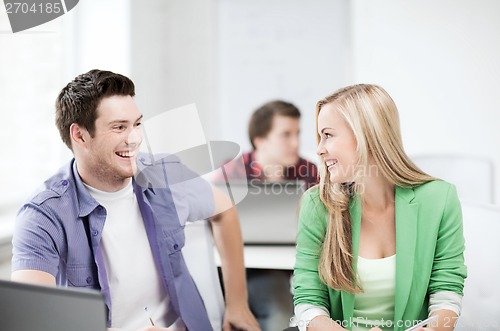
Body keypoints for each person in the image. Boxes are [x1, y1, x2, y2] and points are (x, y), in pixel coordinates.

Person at [11, 69, 261, 331]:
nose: (135, 138)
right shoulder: (43, 215)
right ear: (80, 135)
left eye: (137, 124)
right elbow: (33, 320)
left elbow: (224, 210)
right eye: (119, 127)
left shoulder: (164, 174)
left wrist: (238, 303)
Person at [293, 84, 467, 331]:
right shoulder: (316, 204)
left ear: (367, 134)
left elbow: (447, 294)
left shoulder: (439, 199)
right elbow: (308, 305)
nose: (320, 149)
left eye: (328, 135)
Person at [220, 100, 318, 331]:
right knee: (278, 315)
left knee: (282, 316)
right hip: (242, 268)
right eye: (285, 134)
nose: (295, 143)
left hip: (291, 268)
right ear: (260, 140)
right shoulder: (231, 173)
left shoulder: (309, 172)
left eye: (297, 133)